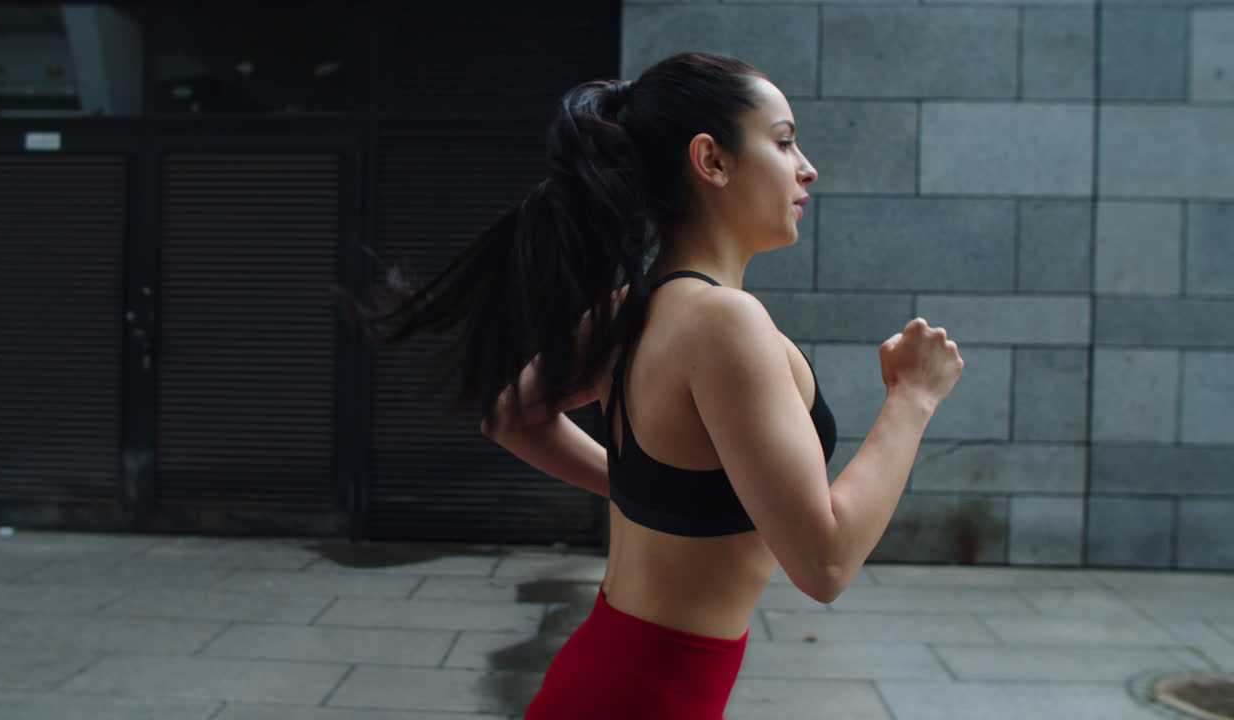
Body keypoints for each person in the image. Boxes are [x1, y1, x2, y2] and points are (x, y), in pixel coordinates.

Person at [355, 52, 963, 720]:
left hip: (610, 671)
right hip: (648, 696)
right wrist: (913, 397)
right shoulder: (724, 323)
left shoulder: (636, 306)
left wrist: (643, 486)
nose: (806, 167)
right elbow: (824, 565)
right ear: (713, 161)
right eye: (785, 140)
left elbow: (511, 416)